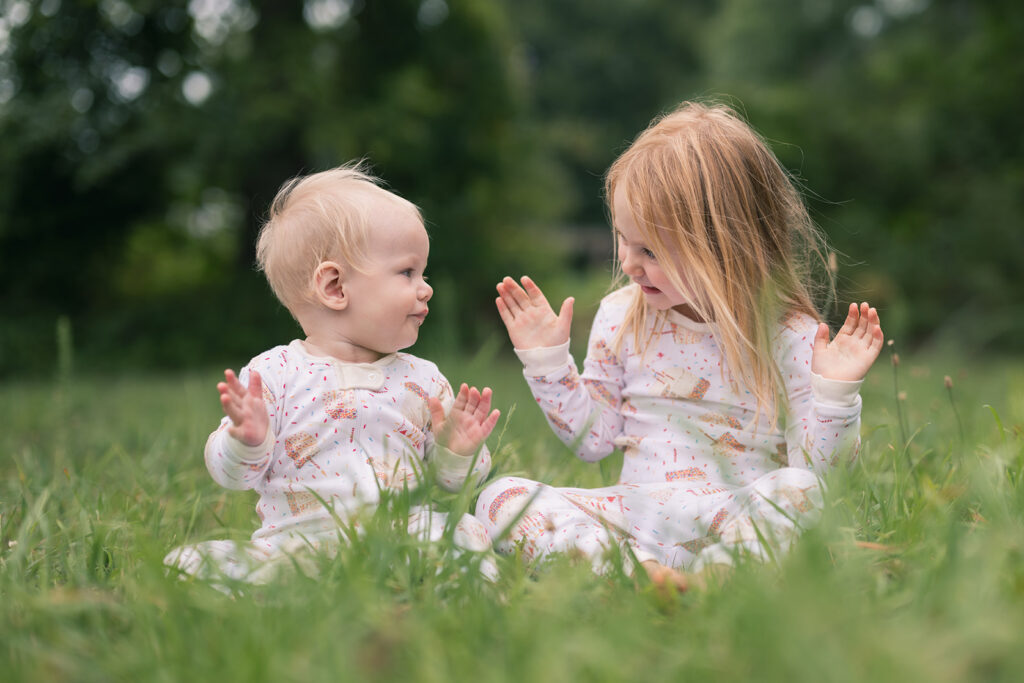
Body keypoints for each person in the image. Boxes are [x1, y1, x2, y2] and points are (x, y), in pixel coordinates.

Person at [476, 101, 884, 591]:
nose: (628, 262)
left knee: (799, 491)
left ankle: (722, 573)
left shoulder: (790, 334)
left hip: (732, 516)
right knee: (500, 499)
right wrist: (547, 363)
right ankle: (636, 576)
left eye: (649, 250)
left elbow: (819, 473)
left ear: (724, 246)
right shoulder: (621, 317)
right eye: (623, 240)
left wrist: (835, 395)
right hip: (631, 517)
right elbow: (593, 440)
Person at [165, 164, 501, 587]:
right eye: (407, 272)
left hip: (399, 537)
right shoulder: (273, 375)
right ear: (335, 287)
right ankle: (283, 589)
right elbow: (233, 476)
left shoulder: (424, 380)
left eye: (423, 273)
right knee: (190, 563)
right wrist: (245, 441)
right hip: (298, 543)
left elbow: (453, 482)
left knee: (461, 533)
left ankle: (447, 588)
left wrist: (458, 450)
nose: (425, 287)